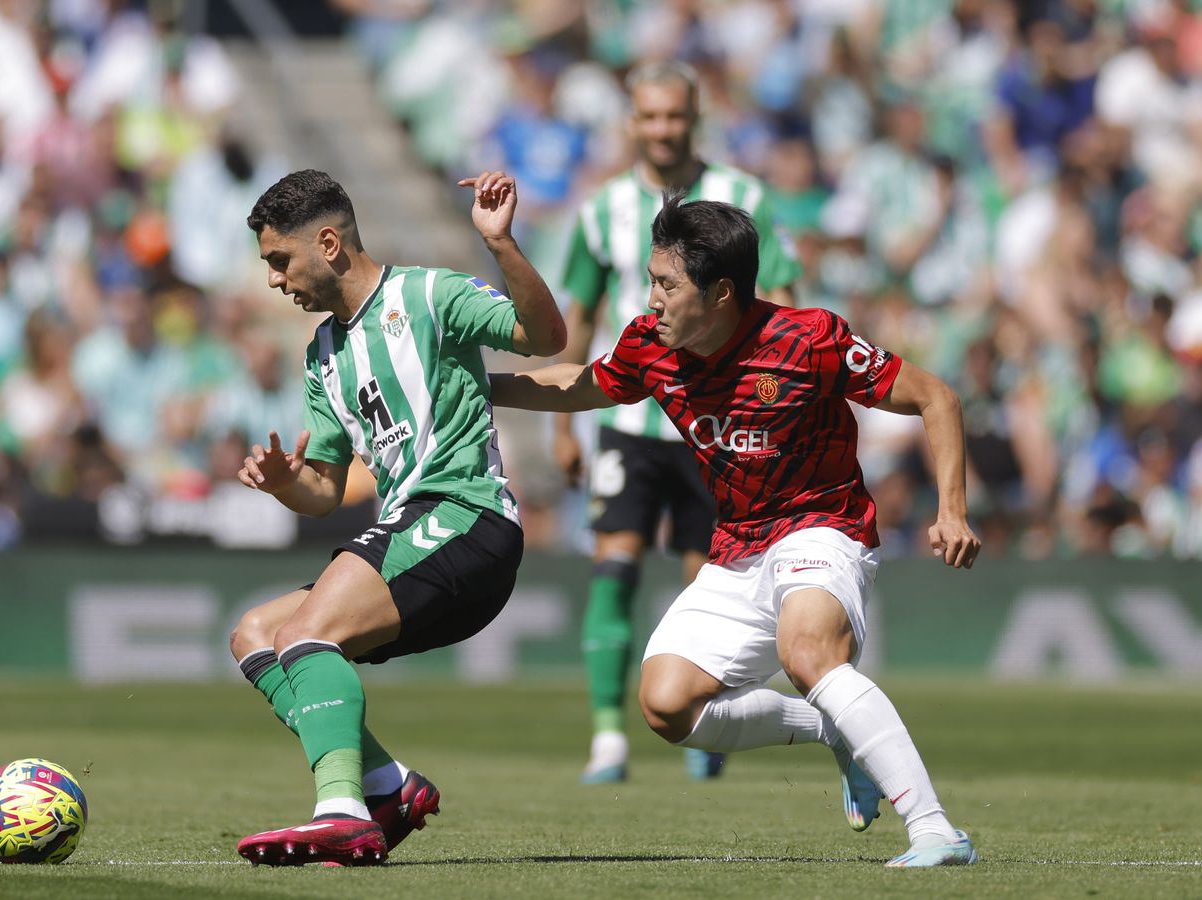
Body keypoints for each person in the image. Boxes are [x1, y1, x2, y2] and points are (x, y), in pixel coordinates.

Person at [490, 195, 980, 867]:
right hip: (738, 549)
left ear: (720, 293)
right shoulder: (649, 347)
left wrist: (950, 508)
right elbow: (577, 385)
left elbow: (937, 397)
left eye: (666, 284)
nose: (652, 298)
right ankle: (837, 729)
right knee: (665, 705)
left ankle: (935, 830)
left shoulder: (809, 340)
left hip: (822, 528)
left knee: (808, 653)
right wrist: (479, 384)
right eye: (651, 280)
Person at [228, 168, 565, 867]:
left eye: (278, 260)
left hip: (467, 518)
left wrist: (501, 246)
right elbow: (324, 487)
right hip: (414, 532)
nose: (273, 280)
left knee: (306, 634)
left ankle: (342, 812)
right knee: (256, 634)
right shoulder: (323, 355)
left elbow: (544, 335)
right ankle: (386, 787)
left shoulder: (431, 296)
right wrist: (288, 484)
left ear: (328, 242)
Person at [557, 61, 804, 783]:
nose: (663, 129)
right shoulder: (601, 210)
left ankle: (710, 725)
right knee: (615, 566)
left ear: (696, 118)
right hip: (630, 419)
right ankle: (607, 738)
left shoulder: (743, 197)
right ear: (632, 121)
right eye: (650, 116)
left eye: (675, 116)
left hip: (716, 426)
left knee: (708, 582)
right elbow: (579, 314)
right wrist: (564, 424)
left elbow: (783, 294)